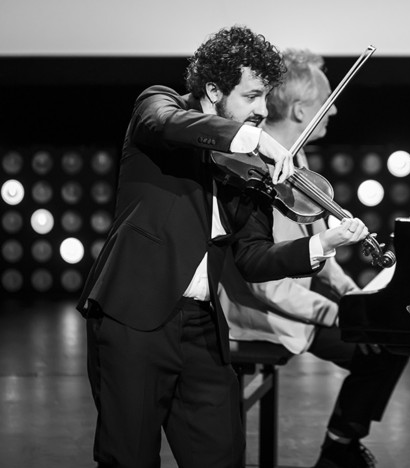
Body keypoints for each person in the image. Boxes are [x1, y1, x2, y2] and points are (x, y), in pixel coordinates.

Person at [76, 27, 369, 468]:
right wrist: (251, 139)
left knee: (222, 456)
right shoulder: (159, 105)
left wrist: (322, 243)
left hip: (202, 328)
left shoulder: (248, 168)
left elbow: (253, 258)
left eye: (266, 98)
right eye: (252, 97)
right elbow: (168, 123)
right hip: (132, 319)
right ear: (213, 89)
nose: (262, 110)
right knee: (128, 458)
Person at [218, 49, 408, 468]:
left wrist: (353, 295)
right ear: (302, 110)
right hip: (261, 312)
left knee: (389, 339)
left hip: (296, 296)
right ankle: (339, 451)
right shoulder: (255, 170)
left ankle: (339, 445)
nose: (335, 108)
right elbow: (263, 281)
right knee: (379, 351)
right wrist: (337, 314)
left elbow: (318, 237)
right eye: (328, 102)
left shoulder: (295, 157)